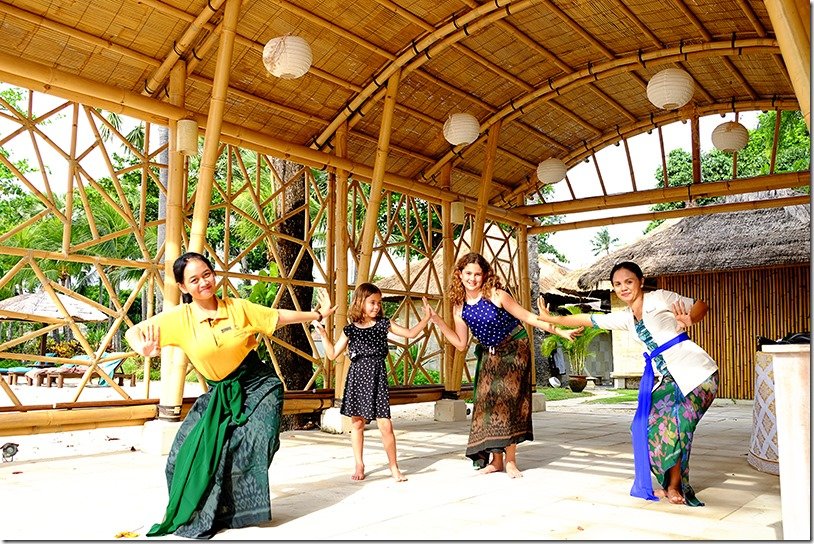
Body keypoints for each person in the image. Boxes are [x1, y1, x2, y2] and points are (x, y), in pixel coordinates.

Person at [124, 251, 336, 538]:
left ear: (214, 274)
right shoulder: (179, 319)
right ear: (184, 287)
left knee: (254, 442)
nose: (203, 283)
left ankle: (241, 510)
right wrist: (146, 350)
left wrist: (317, 315)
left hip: (259, 384)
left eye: (207, 274)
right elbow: (134, 333)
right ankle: (210, 510)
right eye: (194, 280)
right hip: (220, 393)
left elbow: (278, 317)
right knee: (181, 454)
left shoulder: (238, 308)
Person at [535, 261, 718, 506]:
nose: (623, 288)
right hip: (667, 380)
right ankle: (669, 481)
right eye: (618, 284)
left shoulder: (660, 298)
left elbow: (701, 306)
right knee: (643, 428)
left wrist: (690, 319)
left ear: (640, 282)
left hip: (697, 374)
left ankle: (675, 486)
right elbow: (589, 319)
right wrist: (552, 318)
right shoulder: (626, 318)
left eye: (628, 282)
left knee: (675, 427)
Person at [427, 252, 582, 478]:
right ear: (459, 275)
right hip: (491, 353)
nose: (472, 278)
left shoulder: (496, 295)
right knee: (487, 403)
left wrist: (560, 331)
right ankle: (496, 460)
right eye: (468, 273)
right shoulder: (459, 306)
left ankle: (510, 461)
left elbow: (529, 318)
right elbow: (461, 344)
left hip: (514, 348)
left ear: (485, 275)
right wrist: (437, 321)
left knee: (508, 402)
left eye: (477, 274)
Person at [313, 282, 432, 482]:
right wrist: (324, 335)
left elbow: (410, 333)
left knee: (386, 425)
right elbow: (333, 354)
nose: (376, 306)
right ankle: (359, 464)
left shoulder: (384, 324)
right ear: (360, 302)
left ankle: (394, 467)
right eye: (372, 302)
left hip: (377, 377)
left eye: (379, 302)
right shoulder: (350, 330)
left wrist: (427, 318)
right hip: (357, 377)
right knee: (357, 424)